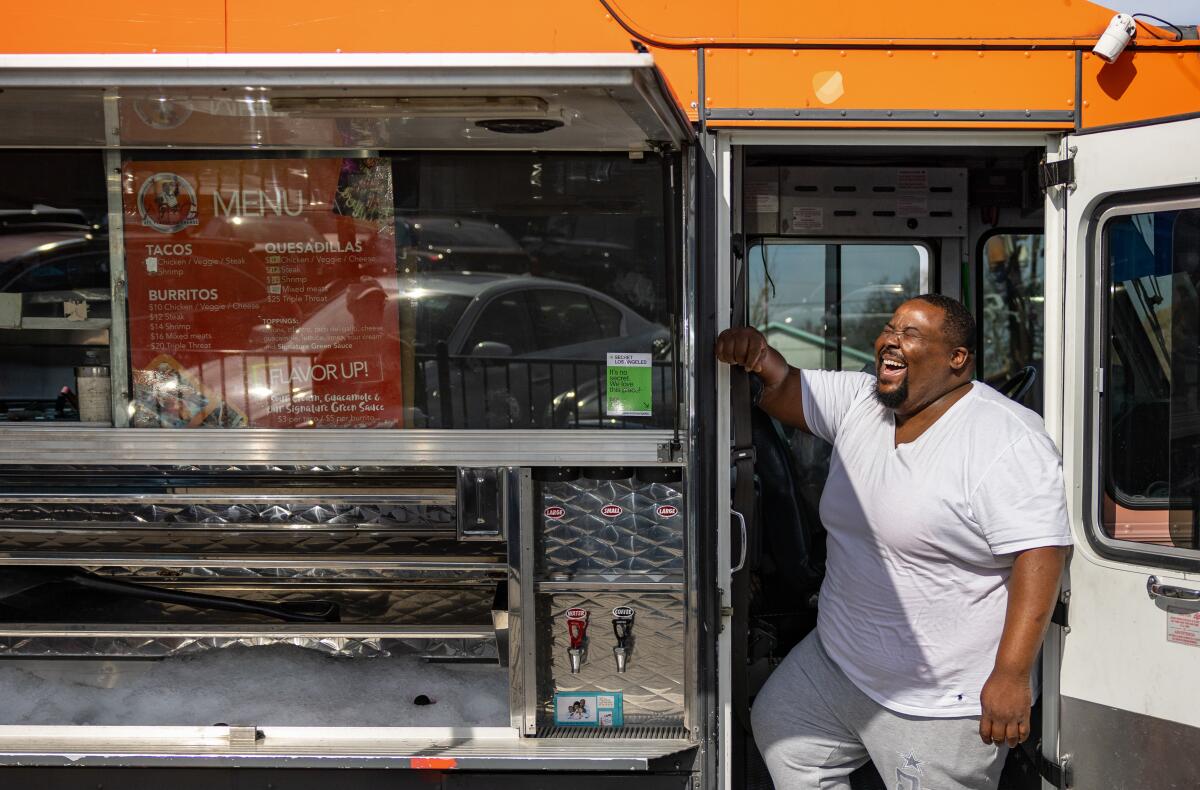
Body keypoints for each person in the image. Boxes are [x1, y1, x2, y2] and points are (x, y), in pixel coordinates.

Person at [717, 294, 1070, 790]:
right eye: (889, 329)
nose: (889, 341)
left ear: (957, 360)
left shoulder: (1006, 436)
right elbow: (785, 387)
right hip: (839, 663)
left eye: (911, 334)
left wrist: (1011, 675)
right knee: (783, 731)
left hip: (936, 700)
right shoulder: (862, 402)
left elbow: (1042, 553)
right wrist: (755, 353)